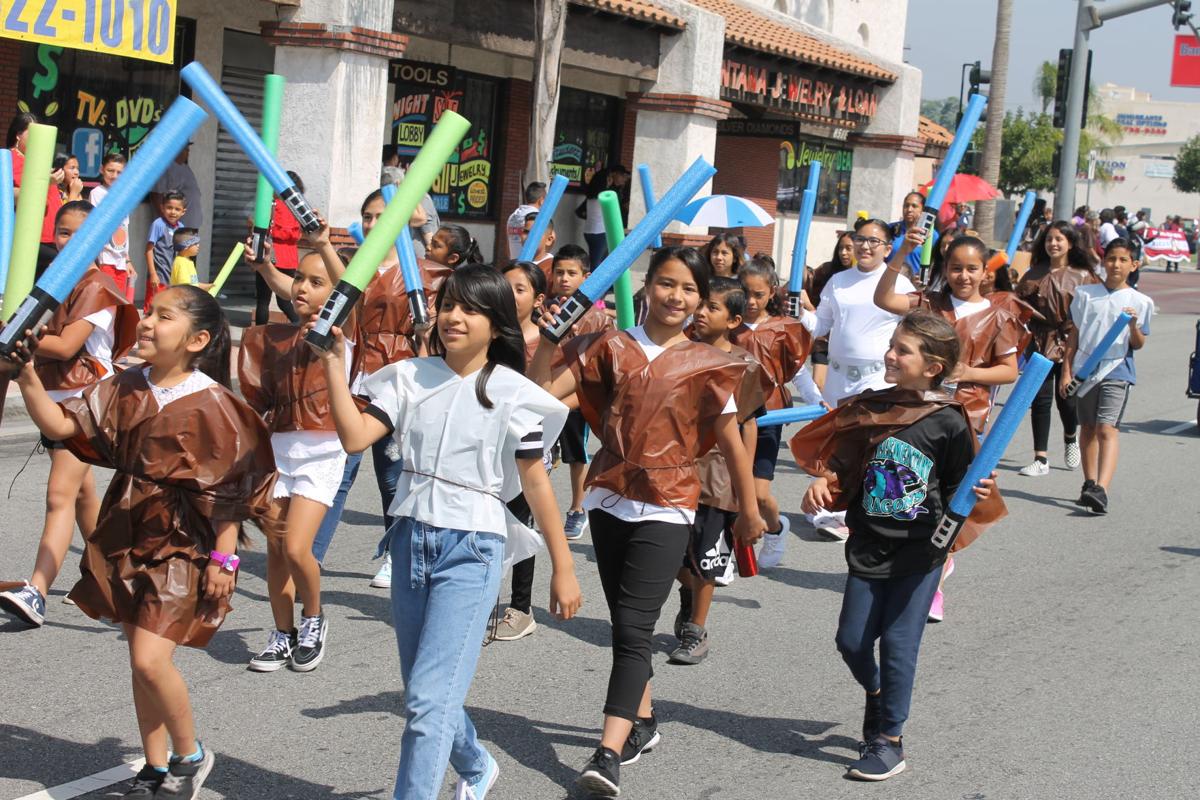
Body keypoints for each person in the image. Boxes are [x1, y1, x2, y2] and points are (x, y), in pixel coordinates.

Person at [315, 263, 580, 800]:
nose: (454, 316)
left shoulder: (515, 393)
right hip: (410, 538)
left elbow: (535, 483)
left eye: (471, 308)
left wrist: (564, 566)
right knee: (424, 695)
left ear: (498, 323)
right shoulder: (409, 375)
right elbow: (354, 437)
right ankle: (476, 763)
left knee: (428, 703)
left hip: (473, 548)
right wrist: (331, 363)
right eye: (449, 304)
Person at [7, 285, 276, 799]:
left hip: (184, 545)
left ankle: (189, 757)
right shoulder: (124, 385)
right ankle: (154, 767)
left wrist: (225, 557)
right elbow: (65, 424)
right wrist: (26, 377)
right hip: (126, 531)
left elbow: (230, 491)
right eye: (149, 312)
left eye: (164, 316)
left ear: (197, 339)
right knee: (138, 658)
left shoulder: (215, 403)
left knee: (151, 659)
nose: (148, 323)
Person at [531, 246, 766, 798]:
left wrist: (749, 511)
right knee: (624, 626)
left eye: (688, 290)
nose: (675, 297)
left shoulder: (709, 363)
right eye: (666, 284)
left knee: (635, 629)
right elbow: (543, 395)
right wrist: (546, 344)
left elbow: (731, 441)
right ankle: (645, 720)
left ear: (700, 300)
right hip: (611, 499)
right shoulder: (611, 346)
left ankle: (607, 753)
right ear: (647, 286)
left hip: (670, 503)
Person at [793, 310, 1002, 782]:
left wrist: (976, 494)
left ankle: (890, 740)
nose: (889, 354)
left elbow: (958, 487)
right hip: (868, 542)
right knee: (851, 641)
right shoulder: (873, 406)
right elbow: (847, 466)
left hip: (921, 550)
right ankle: (876, 695)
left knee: (900, 645)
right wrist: (825, 482)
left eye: (901, 350)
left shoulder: (949, 421)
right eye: (892, 344)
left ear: (932, 367)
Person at [0, 201, 138, 628]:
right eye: (62, 232)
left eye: (79, 234)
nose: (68, 242)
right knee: (81, 498)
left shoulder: (99, 288)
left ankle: (37, 591)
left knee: (59, 494)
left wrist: (12, 331)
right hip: (54, 401)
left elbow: (63, 346)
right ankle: (116, 578)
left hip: (88, 405)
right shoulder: (50, 283)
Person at [239, 231, 349, 674]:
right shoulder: (282, 335)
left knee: (298, 547)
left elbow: (345, 288)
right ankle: (281, 633)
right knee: (276, 551)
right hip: (279, 448)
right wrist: (267, 269)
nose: (302, 288)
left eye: (315, 282)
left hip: (323, 451)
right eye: (298, 280)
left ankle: (313, 619)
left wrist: (324, 248)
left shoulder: (342, 329)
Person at [672, 276, 768, 664]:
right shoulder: (679, 351)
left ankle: (696, 630)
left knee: (708, 559)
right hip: (676, 473)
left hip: (719, 479)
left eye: (712, 307)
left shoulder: (744, 364)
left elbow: (749, 424)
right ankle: (688, 592)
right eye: (701, 304)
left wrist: (743, 487)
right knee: (676, 561)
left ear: (732, 320)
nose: (700, 312)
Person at [1061, 238, 1153, 514]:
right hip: (1084, 370)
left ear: (1133, 265)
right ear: (1104, 261)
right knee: (1087, 428)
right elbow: (1073, 338)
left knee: (1106, 428)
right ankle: (1089, 483)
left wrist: (1134, 324)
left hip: (1116, 369)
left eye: (1123, 260)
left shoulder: (1141, 301)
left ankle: (1101, 488)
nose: (1116, 264)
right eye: (1111, 258)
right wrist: (1067, 372)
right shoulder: (1085, 294)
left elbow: (1137, 343)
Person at [731, 256, 812, 566]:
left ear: (772, 292)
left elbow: (797, 368)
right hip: (733, 416)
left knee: (759, 493)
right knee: (729, 489)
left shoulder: (785, 328)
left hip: (768, 416)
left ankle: (776, 529)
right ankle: (728, 551)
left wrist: (816, 398)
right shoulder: (728, 324)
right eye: (745, 293)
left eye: (759, 294)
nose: (750, 301)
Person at [493, 260, 553, 643]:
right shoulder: (490, 335)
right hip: (488, 443)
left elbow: (547, 395)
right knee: (488, 521)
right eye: (505, 287)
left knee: (520, 524)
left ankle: (521, 607)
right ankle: (483, 597)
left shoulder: (546, 340)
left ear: (538, 298)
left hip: (529, 448)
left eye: (519, 289)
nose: (510, 295)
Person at [1015, 221, 1101, 476]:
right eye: (1049, 239)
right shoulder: (1033, 273)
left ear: (1070, 243)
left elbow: (1089, 313)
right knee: (1039, 399)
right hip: (1038, 342)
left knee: (1067, 398)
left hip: (1070, 341)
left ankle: (1070, 437)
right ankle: (1040, 457)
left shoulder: (1084, 275)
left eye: (1059, 239)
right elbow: (1018, 307)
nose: (1053, 244)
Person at [547, 244, 612, 539]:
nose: (564, 278)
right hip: (546, 392)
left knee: (576, 455)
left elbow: (599, 364)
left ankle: (577, 508)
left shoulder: (597, 319)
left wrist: (576, 399)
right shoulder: (546, 309)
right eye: (559, 272)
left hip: (578, 397)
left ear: (586, 277)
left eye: (571, 273)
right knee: (538, 451)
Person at [8, 112, 64, 274]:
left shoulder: (36, 159)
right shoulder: (10, 159)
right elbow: (9, 194)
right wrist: (45, 182)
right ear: (18, 135)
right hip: (33, 239)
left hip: (51, 236)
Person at [805, 231, 855, 390]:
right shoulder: (827, 271)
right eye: (840, 248)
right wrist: (800, 261)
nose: (843, 253)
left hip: (847, 344)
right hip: (823, 338)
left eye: (848, 248)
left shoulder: (866, 279)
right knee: (818, 385)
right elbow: (807, 283)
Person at [252, 171, 304, 325]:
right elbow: (299, 235)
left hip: (271, 255)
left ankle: (259, 334)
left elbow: (261, 227)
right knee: (286, 300)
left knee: (263, 300)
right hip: (290, 259)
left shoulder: (271, 204)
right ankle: (298, 324)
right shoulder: (297, 208)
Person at [90, 152, 136, 301]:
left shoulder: (125, 197)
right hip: (104, 259)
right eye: (110, 170)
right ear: (101, 169)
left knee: (117, 303)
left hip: (120, 262)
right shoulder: (97, 193)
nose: (115, 175)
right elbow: (94, 228)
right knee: (103, 301)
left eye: (119, 172)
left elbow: (125, 230)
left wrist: (127, 260)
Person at [581, 165, 631, 268]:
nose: (624, 179)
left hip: (590, 231)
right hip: (601, 232)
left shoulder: (592, 196)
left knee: (597, 262)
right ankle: (593, 284)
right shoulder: (607, 197)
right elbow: (614, 215)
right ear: (609, 178)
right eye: (622, 175)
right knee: (598, 265)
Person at [145, 192, 187, 302]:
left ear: (183, 212)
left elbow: (182, 254)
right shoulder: (158, 224)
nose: (173, 212)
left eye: (177, 209)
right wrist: (153, 274)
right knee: (153, 309)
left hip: (173, 279)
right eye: (169, 208)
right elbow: (149, 250)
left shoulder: (182, 228)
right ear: (162, 208)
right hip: (158, 279)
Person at [150, 141, 202, 228]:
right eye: (185, 149)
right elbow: (156, 195)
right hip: (174, 229)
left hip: (190, 228)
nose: (188, 151)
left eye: (188, 149)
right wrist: (167, 223)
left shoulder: (185, 168)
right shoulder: (165, 168)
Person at [888, 192, 936, 277]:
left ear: (922, 210)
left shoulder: (931, 234)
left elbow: (936, 262)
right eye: (906, 205)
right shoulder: (890, 229)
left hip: (915, 285)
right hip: (890, 280)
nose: (909, 209)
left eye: (914, 206)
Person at [507, 181, 546, 259]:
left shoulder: (513, 216)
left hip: (514, 261)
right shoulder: (538, 216)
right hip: (530, 264)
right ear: (541, 200)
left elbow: (507, 245)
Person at [520, 212, 556, 283]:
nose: (529, 237)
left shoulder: (553, 269)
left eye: (535, 233)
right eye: (526, 232)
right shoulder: (515, 264)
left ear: (549, 240)